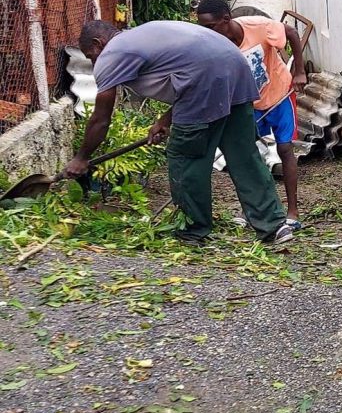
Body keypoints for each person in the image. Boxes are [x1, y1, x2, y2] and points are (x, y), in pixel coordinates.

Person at [66, 20, 294, 246]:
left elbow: (100, 119)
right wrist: (165, 120)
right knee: (244, 156)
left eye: (90, 55)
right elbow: (193, 70)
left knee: (185, 157)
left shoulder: (112, 53)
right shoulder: (142, 36)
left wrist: (81, 158)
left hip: (206, 79)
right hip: (236, 66)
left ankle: (192, 230)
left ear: (98, 43)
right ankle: (274, 226)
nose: (94, 62)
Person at [195, 0, 305, 230]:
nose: (207, 33)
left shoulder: (258, 26)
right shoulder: (214, 46)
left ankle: (293, 211)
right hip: (249, 105)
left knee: (285, 149)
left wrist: (299, 72)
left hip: (280, 94)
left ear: (226, 20)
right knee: (247, 155)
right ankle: (254, 210)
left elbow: (292, 33)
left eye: (210, 27)